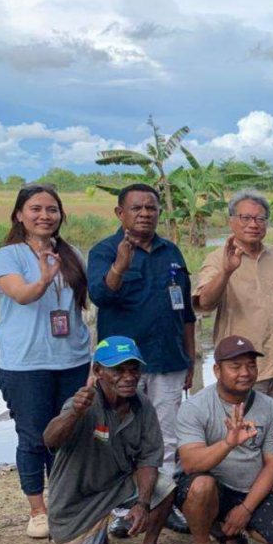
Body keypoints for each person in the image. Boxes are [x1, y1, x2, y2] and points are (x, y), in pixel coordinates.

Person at [0, 185, 92, 539]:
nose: (45, 216)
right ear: (19, 214)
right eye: (35, 209)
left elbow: (85, 305)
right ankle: (38, 510)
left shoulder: (73, 254)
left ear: (61, 215)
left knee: (69, 435)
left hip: (73, 360)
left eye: (52, 209)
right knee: (33, 437)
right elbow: (21, 295)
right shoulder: (7, 256)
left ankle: (65, 502)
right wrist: (45, 279)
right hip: (25, 364)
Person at [42, 337, 181, 544]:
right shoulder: (83, 402)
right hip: (77, 501)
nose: (128, 377)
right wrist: (74, 412)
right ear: (98, 372)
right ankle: (93, 532)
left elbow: (149, 459)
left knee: (166, 486)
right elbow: (50, 439)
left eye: (133, 369)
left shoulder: (142, 404)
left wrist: (142, 503)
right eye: (118, 370)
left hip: (117, 487)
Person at [87, 184, 196, 481]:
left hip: (168, 361)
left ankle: (162, 501)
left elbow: (186, 311)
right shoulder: (104, 251)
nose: (145, 214)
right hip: (123, 367)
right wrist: (120, 267)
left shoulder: (171, 252)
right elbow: (99, 296)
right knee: (122, 433)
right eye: (137, 208)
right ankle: (124, 507)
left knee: (167, 435)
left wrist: (191, 359)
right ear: (120, 213)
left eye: (151, 208)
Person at [174, 336, 273, 544]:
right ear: (217, 370)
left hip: (246, 490)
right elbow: (190, 464)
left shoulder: (270, 407)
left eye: (251, 365)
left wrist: (246, 508)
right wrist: (228, 443)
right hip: (205, 487)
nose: (245, 372)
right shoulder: (195, 406)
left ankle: (225, 529)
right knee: (202, 486)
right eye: (235, 366)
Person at [193, 190, 273, 419]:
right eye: (245, 218)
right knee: (243, 436)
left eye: (260, 219)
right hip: (242, 369)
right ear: (231, 221)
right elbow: (205, 303)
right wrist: (227, 271)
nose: (253, 224)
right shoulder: (217, 258)